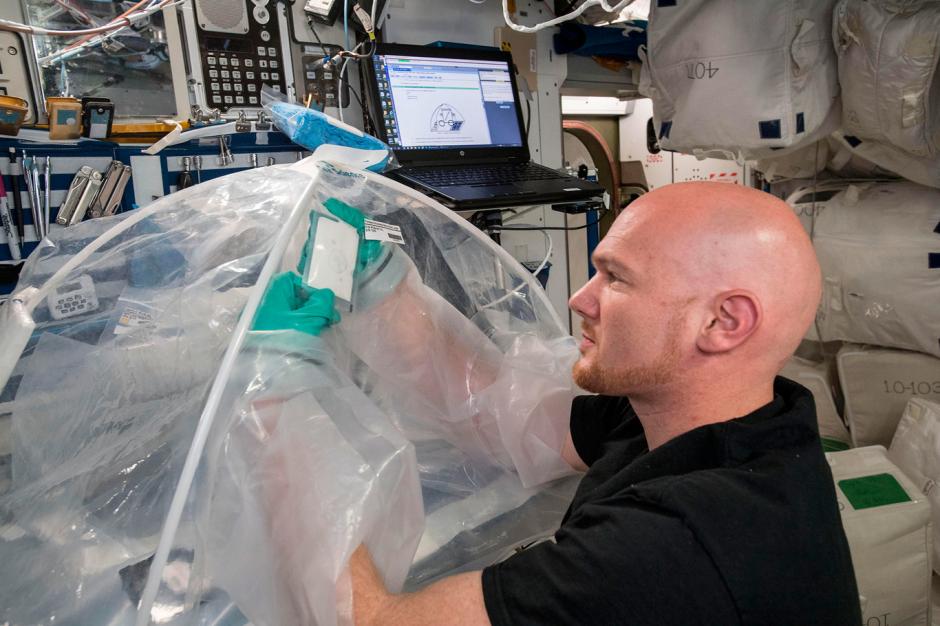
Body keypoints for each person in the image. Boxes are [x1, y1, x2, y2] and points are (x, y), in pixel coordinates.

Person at [345, 181, 862, 625]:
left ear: (724, 323)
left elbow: (372, 621)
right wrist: (381, 286)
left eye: (616, 278)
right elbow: (497, 418)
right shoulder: (732, 416)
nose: (580, 299)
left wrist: (281, 394)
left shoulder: (675, 544)